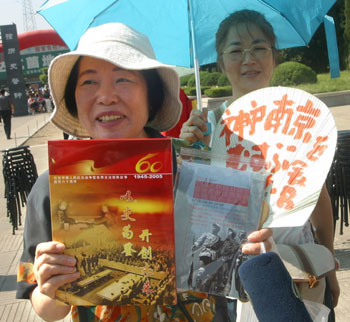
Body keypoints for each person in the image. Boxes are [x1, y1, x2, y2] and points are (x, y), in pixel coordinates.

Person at [16, 22, 271, 322]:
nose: (106, 96)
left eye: (123, 79)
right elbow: (45, 307)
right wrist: (49, 288)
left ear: (151, 94)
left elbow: (236, 269)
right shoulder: (54, 187)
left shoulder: (194, 167)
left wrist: (257, 248)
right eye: (89, 82)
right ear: (74, 97)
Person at [179, 9, 339, 318]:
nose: (248, 58)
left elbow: (318, 196)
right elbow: (191, 209)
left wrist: (329, 264)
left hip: (296, 265)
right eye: (236, 50)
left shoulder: (300, 118)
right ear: (222, 62)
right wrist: (188, 151)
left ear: (274, 57)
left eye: (259, 47)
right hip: (231, 272)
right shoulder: (208, 126)